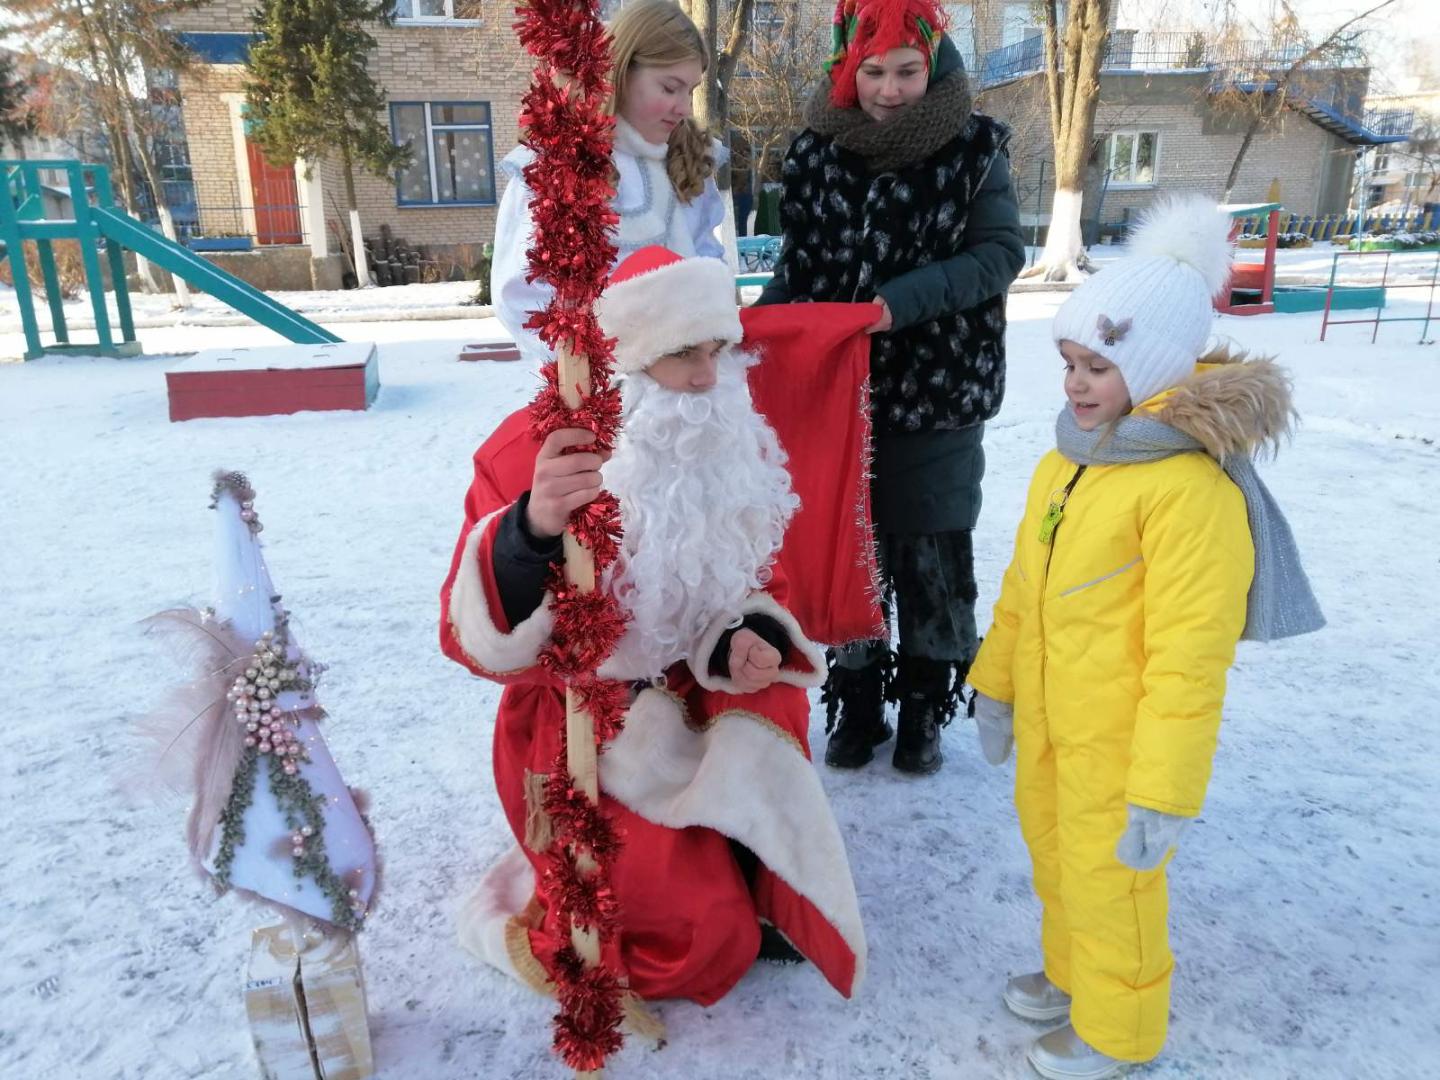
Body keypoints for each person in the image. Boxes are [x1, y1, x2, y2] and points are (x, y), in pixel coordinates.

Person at [441, 247, 867, 1012]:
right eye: (683, 354)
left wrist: (743, 636)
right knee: (698, 941)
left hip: (693, 686)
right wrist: (531, 531)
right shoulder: (531, 453)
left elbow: (759, 581)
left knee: (771, 701)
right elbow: (472, 637)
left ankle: (752, 871)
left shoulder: (723, 433)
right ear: (628, 361)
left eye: (718, 349)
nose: (707, 377)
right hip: (585, 722)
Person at [966, 196, 1324, 1079]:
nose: (1075, 383)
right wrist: (997, 685)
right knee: (1057, 857)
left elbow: (1189, 659)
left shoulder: (1188, 493)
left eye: (1099, 366)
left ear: (1156, 368)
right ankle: (1072, 976)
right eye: (1070, 363)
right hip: (1054, 720)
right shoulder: (1070, 462)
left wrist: (1164, 790)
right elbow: (1023, 593)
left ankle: (1119, 1031)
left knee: (1112, 884)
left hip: (1122, 744)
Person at [755, 0, 1024, 775]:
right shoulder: (814, 153)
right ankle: (858, 697)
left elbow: (1000, 254)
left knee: (930, 553)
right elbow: (798, 269)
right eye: (872, 71)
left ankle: (925, 708)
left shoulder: (973, 148)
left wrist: (895, 304)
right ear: (847, 67)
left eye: (907, 70)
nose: (890, 89)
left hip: (940, 389)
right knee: (851, 548)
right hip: (836, 395)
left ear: (933, 62)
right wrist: (755, 328)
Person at [490, 0, 728, 364]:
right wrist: (604, 362)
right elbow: (519, 295)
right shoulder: (559, 163)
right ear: (621, 72)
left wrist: (706, 337)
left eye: (690, 90)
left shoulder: (689, 159)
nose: (683, 107)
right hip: (597, 381)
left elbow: (709, 265)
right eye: (670, 88)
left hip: (689, 379)